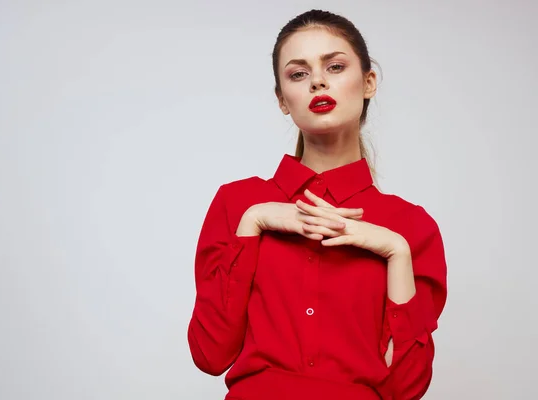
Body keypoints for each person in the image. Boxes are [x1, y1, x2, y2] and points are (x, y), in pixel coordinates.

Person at [187, 9, 447, 400]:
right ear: (282, 100)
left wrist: (397, 251)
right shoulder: (238, 203)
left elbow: (406, 388)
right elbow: (210, 354)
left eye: (335, 66)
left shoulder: (410, 227)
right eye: (298, 74)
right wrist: (254, 221)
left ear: (369, 82)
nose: (318, 82)